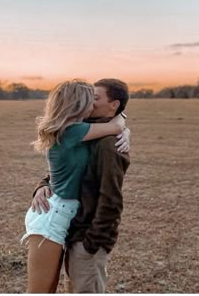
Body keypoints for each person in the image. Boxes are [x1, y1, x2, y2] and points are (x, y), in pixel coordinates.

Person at [21, 79, 127, 293]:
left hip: (58, 216)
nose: (93, 105)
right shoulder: (75, 131)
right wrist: (123, 126)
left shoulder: (74, 130)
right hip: (51, 219)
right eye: (91, 99)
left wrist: (125, 132)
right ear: (79, 105)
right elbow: (116, 125)